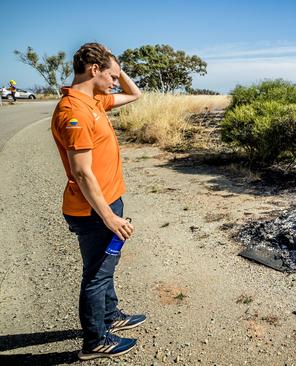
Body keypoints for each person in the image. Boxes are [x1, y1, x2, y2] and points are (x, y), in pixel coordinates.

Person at [51, 42, 144, 360]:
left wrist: (114, 65)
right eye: (112, 76)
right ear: (94, 71)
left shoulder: (92, 100)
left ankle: (110, 316)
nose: (116, 82)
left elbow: (135, 95)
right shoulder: (74, 111)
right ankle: (95, 341)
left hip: (106, 203)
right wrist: (109, 217)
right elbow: (82, 172)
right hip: (94, 210)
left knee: (105, 266)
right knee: (96, 273)